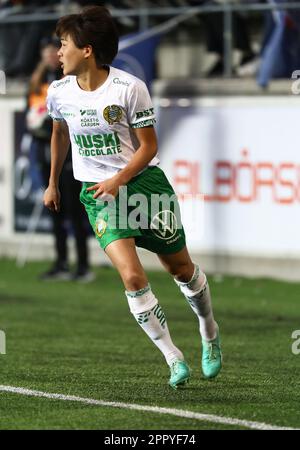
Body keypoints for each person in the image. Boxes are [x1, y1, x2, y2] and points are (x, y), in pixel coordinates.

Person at [44, 6, 222, 389]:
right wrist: (53, 182)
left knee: (181, 270)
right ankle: (174, 358)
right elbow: (59, 134)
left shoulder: (128, 88)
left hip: (144, 187)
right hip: (98, 194)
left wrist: (120, 180)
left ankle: (209, 330)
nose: (58, 52)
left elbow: (149, 146)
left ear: (87, 50)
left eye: (64, 44)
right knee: (132, 276)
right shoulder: (58, 91)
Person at [27, 36, 93, 282]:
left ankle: (83, 266)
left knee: (76, 211)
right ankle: (61, 262)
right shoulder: (38, 81)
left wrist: (46, 122)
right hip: (45, 151)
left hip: (70, 155)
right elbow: (32, 113)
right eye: (45, 50)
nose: (50, 54)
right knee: (54, 209)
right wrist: (37, 123)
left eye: (54, 49)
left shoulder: (69, 80)